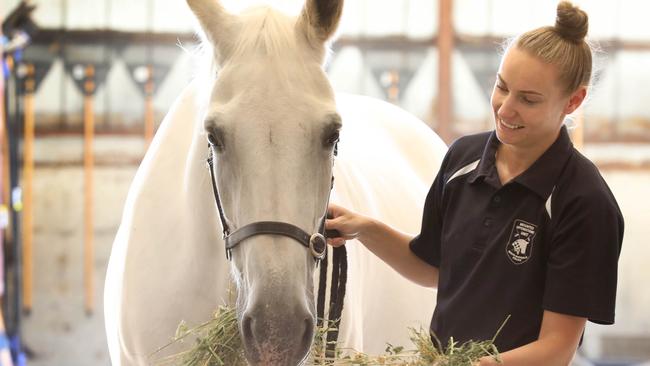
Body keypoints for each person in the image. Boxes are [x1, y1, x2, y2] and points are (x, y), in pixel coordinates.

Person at [325, 2, 624, 365]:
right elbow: (433, 269)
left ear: (573, 100)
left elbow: (557, 348)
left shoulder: (583, 201)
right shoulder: (462, 159)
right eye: (502, 87)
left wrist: (472, 364)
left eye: (528, 100)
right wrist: (365, 229)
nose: (505, 108)